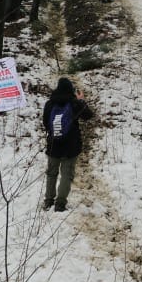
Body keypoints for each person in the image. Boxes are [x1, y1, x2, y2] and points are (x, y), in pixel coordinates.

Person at [43, 78, 94, 212]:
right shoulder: (74, 103)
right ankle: (60, 203)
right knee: (66, 174)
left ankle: (48, 200)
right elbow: (88, 115)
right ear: (71, 89)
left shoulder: (49, 104)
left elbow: (45, 123)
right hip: (71, 146)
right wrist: (81, 100)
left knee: (51, 173)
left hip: (53, 145)